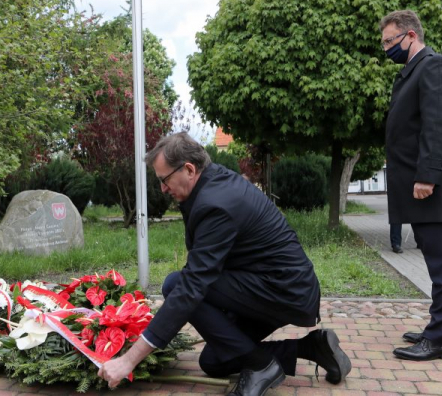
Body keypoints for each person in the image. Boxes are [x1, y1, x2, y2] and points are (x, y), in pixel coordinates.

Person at [98, 132, 351, 395]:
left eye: (164, 179)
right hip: (270, 285)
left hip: (283, 291)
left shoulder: (215, 203)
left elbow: (192, 286)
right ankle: (312, 348)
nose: (163, 188)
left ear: (189, 169)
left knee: (176, 285)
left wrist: (129, 360)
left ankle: (261, 366)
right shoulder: (212, 183)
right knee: (214, 360)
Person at [381, 10, 442, 361]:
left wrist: (427, 176)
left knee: (441, 261)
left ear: (411, 36)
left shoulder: (434, 67)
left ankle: (440, 338)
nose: (386, 49)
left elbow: (439, 125)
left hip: (429, 184)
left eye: (390, 41)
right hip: (421, 183)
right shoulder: (416, 71)